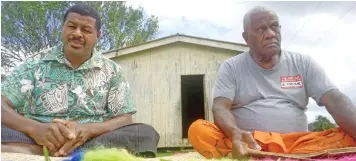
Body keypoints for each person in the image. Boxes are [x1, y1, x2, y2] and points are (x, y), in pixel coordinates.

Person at [188, 6, 356, 159]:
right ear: (246, 38)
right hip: (250, 144)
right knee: (199, 130)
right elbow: (220, 107)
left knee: (347, 134)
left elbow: (335, 99)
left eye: (275, 27)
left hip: (298, 145)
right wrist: (234, 134)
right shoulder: (231, 67)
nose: (271, 34)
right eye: (261, 29)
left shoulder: (303, 63)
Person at [1, 4, 159, 158]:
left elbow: (125, 118)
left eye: (86, 30)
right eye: (71, 26)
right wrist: (34, 129)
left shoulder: (112, 71)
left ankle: (36, 152)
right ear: (62, 28)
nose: (77, 33)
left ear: (98, 36)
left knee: (143, 134)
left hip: (90, 140)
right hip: (35, 137)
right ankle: (56, 152)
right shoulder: (34, 64)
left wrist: (88, 130)